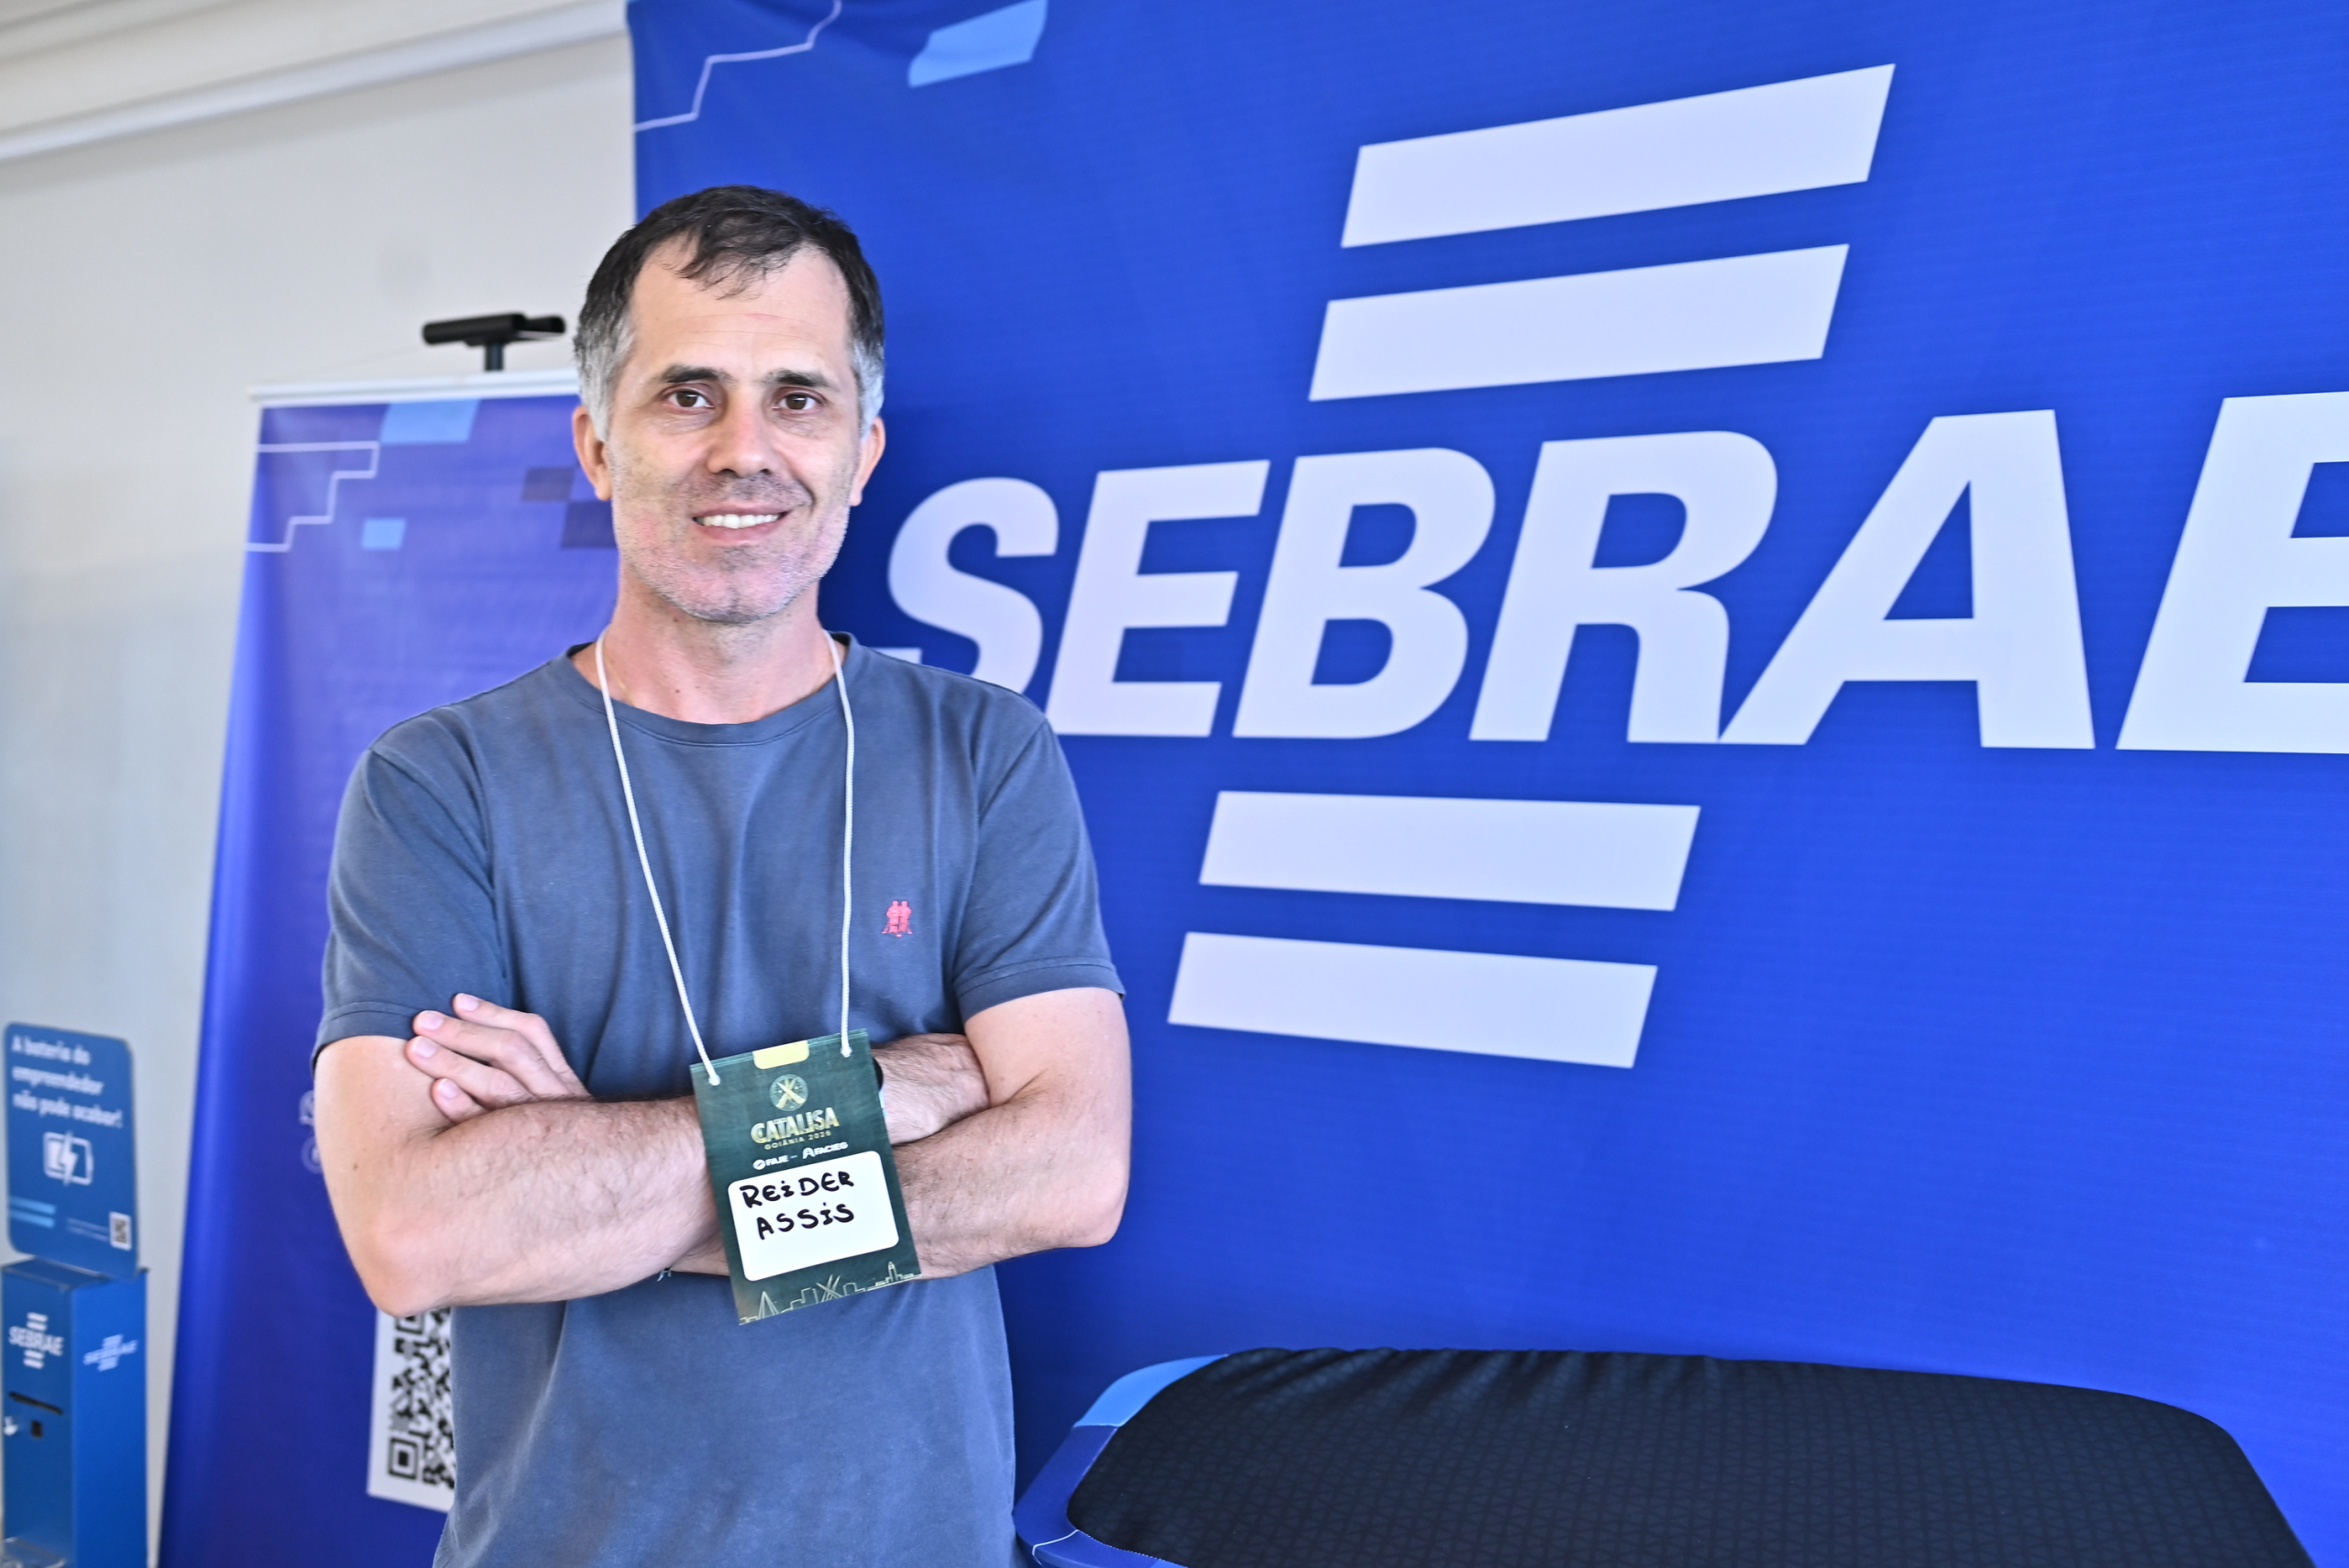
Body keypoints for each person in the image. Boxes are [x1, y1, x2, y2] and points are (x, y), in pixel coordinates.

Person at [310, 185, 1131, 1567]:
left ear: (862, 451)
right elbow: (417, 1234)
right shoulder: (438, 784)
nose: (744, 451)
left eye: (798, 398)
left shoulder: (986, 753)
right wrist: (886, 1091)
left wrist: (591, 1166)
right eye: (687, 394)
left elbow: (1069, 1175)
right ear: (597, 441)